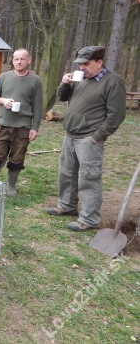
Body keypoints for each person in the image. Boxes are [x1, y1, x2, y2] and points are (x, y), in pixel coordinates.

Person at [47, 46, 126, 231]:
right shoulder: (80, 77)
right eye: (80, 64)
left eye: (86, 64)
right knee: (67, 173)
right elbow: (62, 96)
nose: (82, 68)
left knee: (88, 178)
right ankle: (67, 206)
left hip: (89, 138)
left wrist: (98, 136)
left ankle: (89, 219)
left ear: (99, 62)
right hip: (70, 134)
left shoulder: (113, 82)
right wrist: (64, 83)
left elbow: (117, 115)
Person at [0, 48, 43, 196]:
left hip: (22, 127)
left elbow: (38, 106)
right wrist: (3, 101)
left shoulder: (35, 81)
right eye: (16, 59)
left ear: (28, 60)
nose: (19, 62)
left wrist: (35, 127)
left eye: (22, 59)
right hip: (3, 125)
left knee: (17, 158)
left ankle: (11, 187)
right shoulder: (4, 77)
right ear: (12, 60)